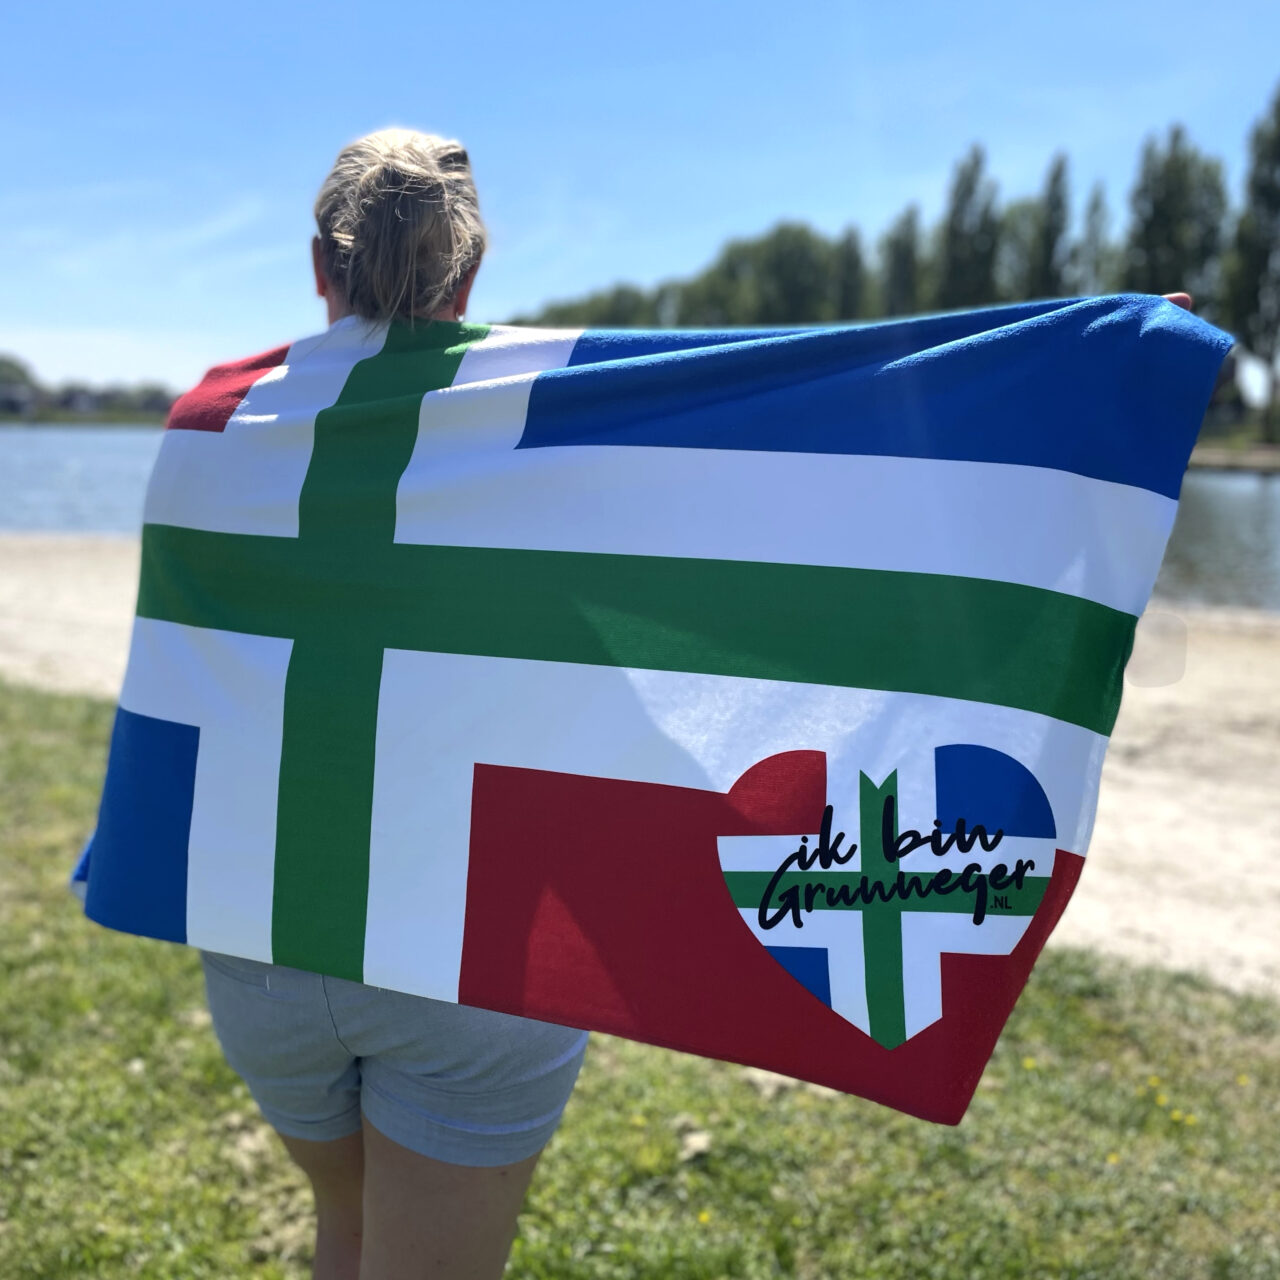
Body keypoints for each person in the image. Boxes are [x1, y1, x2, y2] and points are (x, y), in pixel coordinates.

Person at [198, 128, 589, 1280]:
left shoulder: (212, 426)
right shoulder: (550, 431)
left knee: (351, 1223)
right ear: (471, 272)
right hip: (467, 941)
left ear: (318, 265)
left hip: (262, 931)